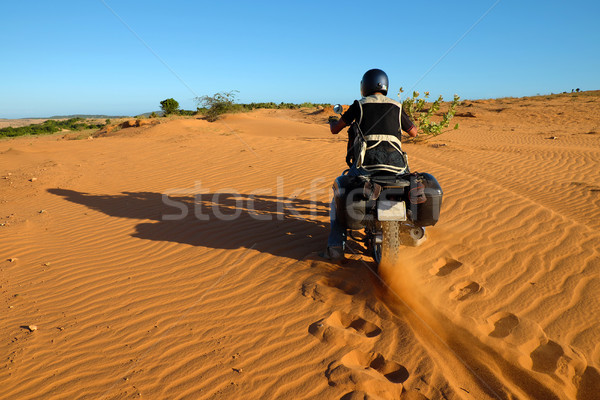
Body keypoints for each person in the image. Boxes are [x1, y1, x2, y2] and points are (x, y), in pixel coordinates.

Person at [321, 68, 418, 261]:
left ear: (364, 86)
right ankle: (418, 231)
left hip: (367, 166)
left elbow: (336, 129)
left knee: (338, 199)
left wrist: (332, 122)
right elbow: (414, 132)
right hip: (397, 167)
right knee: (410, 189)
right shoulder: (397, 106)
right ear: (385, 86)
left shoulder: (359, 105)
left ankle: (335, 247)